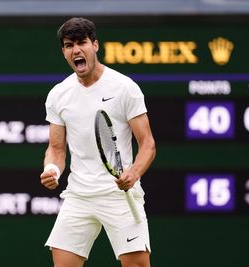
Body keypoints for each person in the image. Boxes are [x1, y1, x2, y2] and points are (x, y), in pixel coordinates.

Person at [40, 17, 156, 267]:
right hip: (79, 196)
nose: (76, 50)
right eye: (69, 45)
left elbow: (147, 144)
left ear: (95, 45)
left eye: (81, 43)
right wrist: (51, 169)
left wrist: (133, 174)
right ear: (64, 52)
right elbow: (56, 148)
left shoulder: (125, 88)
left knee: (137, 265)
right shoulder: (58, 95)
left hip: (119, 194)